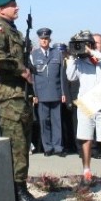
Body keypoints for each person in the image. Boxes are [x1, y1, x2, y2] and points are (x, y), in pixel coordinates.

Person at [0, 0, 43, 201]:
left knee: (24, 143)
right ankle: (16, 192)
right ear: (0, 10)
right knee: (17, 146)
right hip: (10, 97)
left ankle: (22, 188)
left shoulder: (13, 30)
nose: (17, 8)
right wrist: (22, 71)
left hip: (21, 95)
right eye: (12, 5)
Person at [66, 31, 101, 181]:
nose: (93, 46)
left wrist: (92, 52)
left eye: (97, 43)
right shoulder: (81, 62)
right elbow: (70, 76)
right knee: (86, 139)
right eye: (91, 43)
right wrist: (72, 56)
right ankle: (86, 170)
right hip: (85, 105)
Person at [31, 27, 66, 157]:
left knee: (57, 121)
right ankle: (47, 147)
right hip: (41, 94)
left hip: (56, 92)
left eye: (46, 39)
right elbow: (32, 77)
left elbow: (61, 75)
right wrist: (34, 94)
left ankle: (58, 147)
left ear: (49, 39)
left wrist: (63, 93)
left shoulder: (57, 53)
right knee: (44, 121)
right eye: (42, 39)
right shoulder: (34, 55)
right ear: (39, 40)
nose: (44, 41)